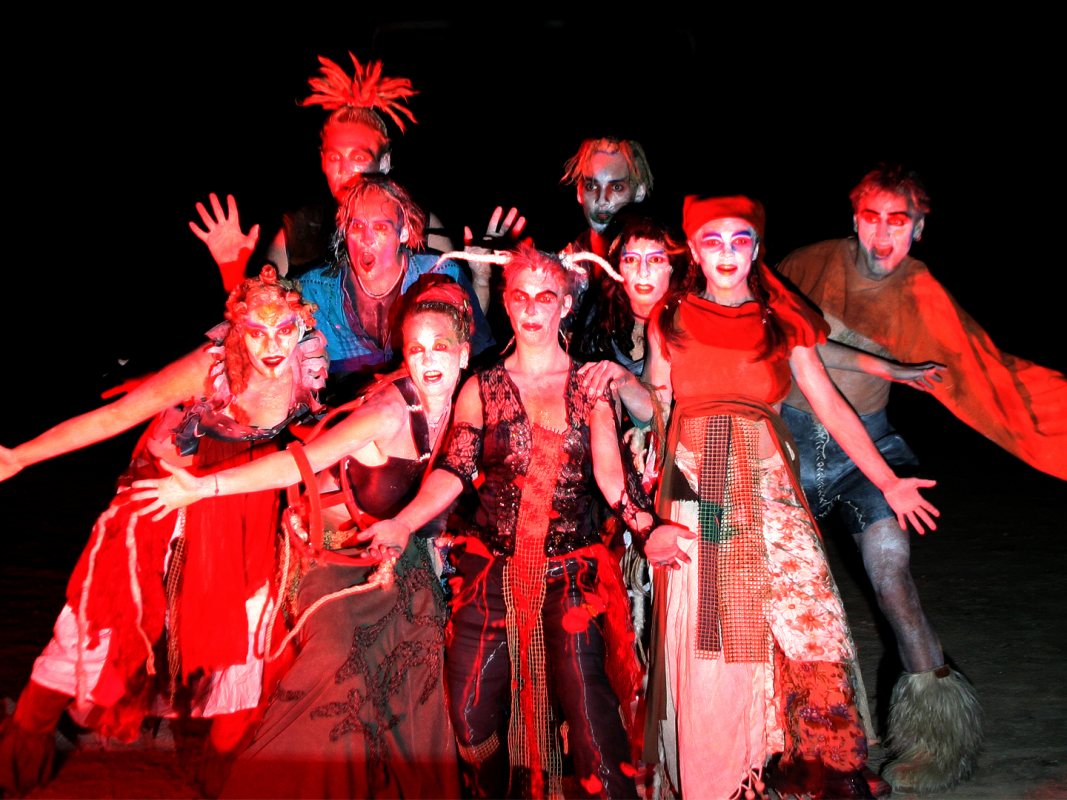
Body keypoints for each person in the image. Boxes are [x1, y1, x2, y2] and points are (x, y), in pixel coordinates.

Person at [357, 242, 689, 799]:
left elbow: (611, 476)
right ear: (506, 303)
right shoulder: (480, 387)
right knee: (468, 717)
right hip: (491, 577)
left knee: (591, 720)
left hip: (572, 578)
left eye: (546, 297)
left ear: (565, 304)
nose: (532, 309)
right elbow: (456, 469)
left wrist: (647, 527)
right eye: (520, 297)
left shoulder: (589, 386)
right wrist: (403, 524)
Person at [634, 195, 940, 799]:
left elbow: (831, 405)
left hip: (770, 483)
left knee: (811, 622)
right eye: (713, 240)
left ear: (756, 248)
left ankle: (827, 768)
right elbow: (658, 410)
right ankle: (735, 775)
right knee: (728, 636)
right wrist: (649, 511)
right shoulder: (668, 319)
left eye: (739, 239)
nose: (727, 252)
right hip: (704, 485)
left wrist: (887, 480)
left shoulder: (782, 319)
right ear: (693, 249)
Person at [776, 163, 1065, 793]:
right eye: (871, 219)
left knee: (893, 575)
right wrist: (889, 367)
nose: (883, 236)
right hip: (786, 444)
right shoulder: (807, 263)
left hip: (868, 454)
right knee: (780, 596)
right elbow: (778, 342)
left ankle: (938, 741)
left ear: (920, 228)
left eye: (898, 222)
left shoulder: (922, 291)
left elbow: (985, 371)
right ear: (854, 220)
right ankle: (788, 737)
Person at [129, 275, 474, 798]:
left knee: (424, 658)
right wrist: (203, 487)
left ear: (464, 354)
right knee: (337, 662)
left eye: (440, 347)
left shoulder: (468, 405)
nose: (428, 361)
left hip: (402, 560)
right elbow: (298, 464)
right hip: (333, 561)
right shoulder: (385, 413)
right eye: (415, 349)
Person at [0, 266, 328, 796]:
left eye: (284, 330)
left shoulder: (311, 363)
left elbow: (323, 432)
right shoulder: (210, 367)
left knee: (248, 637)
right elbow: (116, 417)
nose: (272, 346)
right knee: (109, 621)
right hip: (167, 494)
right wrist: (20, 456)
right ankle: (26, 741)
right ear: (237, 330)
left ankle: (224, 776)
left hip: (242, 503)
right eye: (256, 331)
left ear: (304, 328)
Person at [190, 52, 454, 292]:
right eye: (334, 157)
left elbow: (462, 309)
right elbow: (262, 313)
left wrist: (476, 275)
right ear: (322, 161)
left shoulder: (421, 223)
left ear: (384, 162)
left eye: (358, 157)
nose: (345, 170)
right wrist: (233, 268)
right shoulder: (299, 229)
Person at [296, 174, 495, 391]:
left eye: (380, 228)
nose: (366, 240)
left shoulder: (439, 275)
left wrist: (482, 280)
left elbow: (480, 358)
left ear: (404, 232)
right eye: (357, 226)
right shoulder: (313, 293)